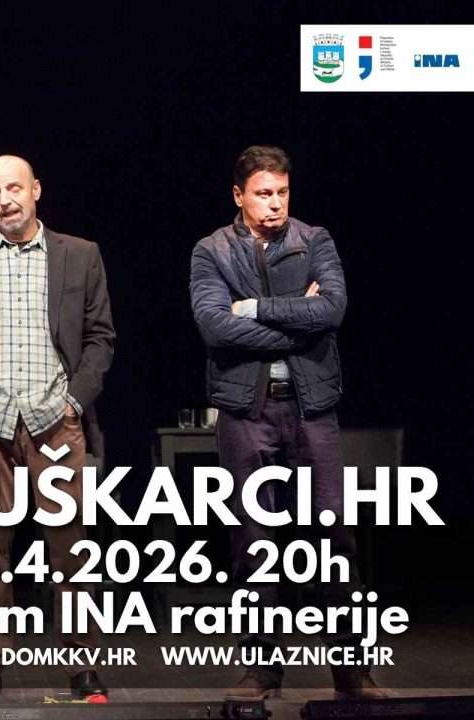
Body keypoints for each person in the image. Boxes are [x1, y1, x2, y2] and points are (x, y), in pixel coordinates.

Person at [189, 145, 385, 700]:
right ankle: (261, 668)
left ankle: (351, 669)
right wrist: (299, 318)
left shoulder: (314, 240)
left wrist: (252, 308)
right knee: (253, 541)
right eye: (263, 194)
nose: (275, 204)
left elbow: (332, 311)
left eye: (282, 192)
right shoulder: (211, 250)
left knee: (334, 537)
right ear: (238, 195)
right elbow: (214, 326)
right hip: (245, 411)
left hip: (311, 407)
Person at [0, 155, 115, 701]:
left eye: (14, 188)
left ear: (36, 189)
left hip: (56, 420)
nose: (5, 200)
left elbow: (100, 337)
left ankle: (81, 665)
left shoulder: (79, 254)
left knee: (70, 549)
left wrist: (73, 402)